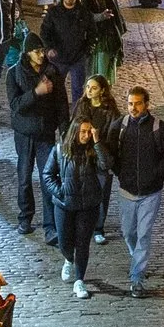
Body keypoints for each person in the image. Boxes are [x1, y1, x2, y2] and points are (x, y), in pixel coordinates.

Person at [109, 86, 164, 298]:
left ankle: (137, 278)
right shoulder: (118, 127)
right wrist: (119, 172)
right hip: (126, 191)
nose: (133, 108)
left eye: (138, 103)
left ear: (146, 104)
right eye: (130, 103)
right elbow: (110, 154)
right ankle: (136, 256)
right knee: (129, 232)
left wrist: (157, 173)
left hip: (151, 192)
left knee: (144, 234)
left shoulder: (159, 128)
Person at [43, 116, 113, 300]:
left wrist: (97, 141)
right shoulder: (60, 150)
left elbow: (106, 165)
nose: (86, 135)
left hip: (88, 205)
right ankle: (68, 259)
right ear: (75, 132)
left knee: (83, 243)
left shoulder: (93, 150)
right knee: (65, 241)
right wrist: (60, 192)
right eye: (82, 131)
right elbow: (48, 174)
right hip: (65, 205)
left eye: (89, 131)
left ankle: (79, 280)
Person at [5, 46, 66, 238]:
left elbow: (61, 104)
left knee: (48, 178)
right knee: (24, 178)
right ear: (27, 53)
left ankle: (51, 226)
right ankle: (25, 218)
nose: (41, 55)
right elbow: (15, 106)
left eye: (42, 51)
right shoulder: (14, 73)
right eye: (36, 51)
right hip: (24, 134)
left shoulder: (52, 72)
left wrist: (65, 131)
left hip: (45, 134)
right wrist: (36, 92)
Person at [39, 0, 95, 105]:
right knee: (57, 90)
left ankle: (76, 118)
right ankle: (59, 116)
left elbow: (92, 33)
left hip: (78, 58)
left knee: (78, 91)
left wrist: (87, 50)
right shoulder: (53, 12)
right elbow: (45, 32)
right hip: (58, 58)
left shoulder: (84, 12)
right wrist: (49, 49)